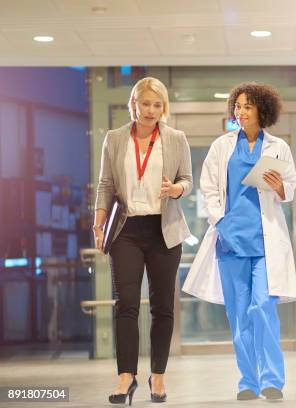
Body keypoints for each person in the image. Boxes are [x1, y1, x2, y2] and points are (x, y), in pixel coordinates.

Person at [182, 82, 296, 401]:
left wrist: (279, 188)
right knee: (239, 315)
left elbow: (290, 189)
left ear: (262, 110)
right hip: (230, 239)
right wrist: (220, 221)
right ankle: (248, 381)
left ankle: (272, 378)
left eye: (248, 106)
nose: (241, 111)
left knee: (262, 307)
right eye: (238, 106)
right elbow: (208, 188)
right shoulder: (223, 146)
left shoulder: (278, 147)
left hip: (265, 242)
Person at [94, 77, 193, 405]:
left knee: (163, 306)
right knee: (126, 304)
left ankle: (158, 376)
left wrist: (176, 190)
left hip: (164, 230)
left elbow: (187, 180)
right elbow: (106, 184)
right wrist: (98, 223)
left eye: (157, 104)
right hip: (126, 230)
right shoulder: (115, 138)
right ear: (133, 104)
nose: (150, 110)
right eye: (145, 103)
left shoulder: (176, 138)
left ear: (163, 107)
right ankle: (126, 377)